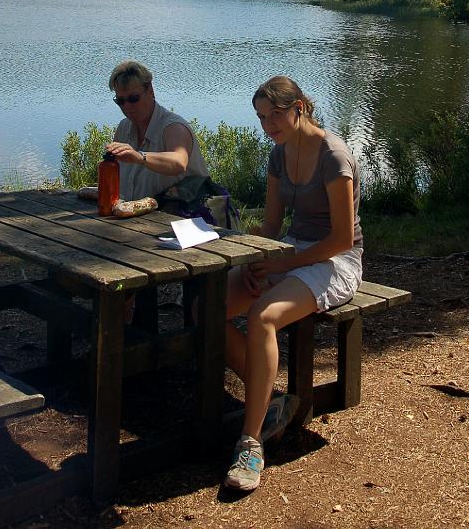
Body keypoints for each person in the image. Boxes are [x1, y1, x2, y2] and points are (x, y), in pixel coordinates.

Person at [223, 75, 363, 492]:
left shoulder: (333, 156)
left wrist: (284, 262)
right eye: (261, 118)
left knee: (263, 317)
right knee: (207, 309)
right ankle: (272, 401)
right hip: (291, 250)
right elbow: (271, 226)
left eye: (275, 115)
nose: (268, 126)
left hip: (336, 261)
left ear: (299, 108)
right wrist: (256, 260)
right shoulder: (278, 155)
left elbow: (341, 238)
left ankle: (250, 445)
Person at [104, 59, 208, 200]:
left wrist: (139, 157)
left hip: (186, 212)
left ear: (150, 91)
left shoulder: (174, 127)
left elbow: (178, 162)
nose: (127, 106)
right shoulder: (123, 128)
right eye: (120, 101)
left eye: (133, 98)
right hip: (137, 212)